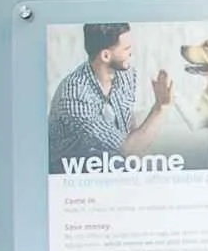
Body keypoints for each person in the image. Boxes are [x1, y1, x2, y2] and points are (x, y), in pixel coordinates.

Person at [47, 24, 174, 172]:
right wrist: (160, 107)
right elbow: (128, 151)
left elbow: (129, 130)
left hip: (109, 161)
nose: (131, 53)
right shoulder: (75, 96)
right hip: (71, 173)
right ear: (106, 56)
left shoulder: (126, 74)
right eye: (126, 49)